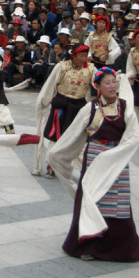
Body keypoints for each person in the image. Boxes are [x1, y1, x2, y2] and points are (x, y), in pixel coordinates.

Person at [47, 67, 139, 262]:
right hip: (94, 159)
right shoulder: (90, 108)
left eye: (114, 82)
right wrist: (56, 155)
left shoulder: (125, 108)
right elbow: (73, 134)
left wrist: (119, 153)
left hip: (117, 161)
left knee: (118, 204)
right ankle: (88, 245)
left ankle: (120, 249)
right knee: (92, 200)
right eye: (107, 83)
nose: (112, 86)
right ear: (98, 86)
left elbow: (133, 135)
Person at [35, 44, 96, 178]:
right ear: (73, 56)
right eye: (81, 56)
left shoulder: (91, 69)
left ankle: (84, 169)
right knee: (56, 137)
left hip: (79, 107)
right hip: (61, 106)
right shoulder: (61, 67)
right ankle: (51, 165)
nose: (84, 59)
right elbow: (50, 85)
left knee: (78, 139)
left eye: (86, 56)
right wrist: (43, 102)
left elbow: (98, 83)